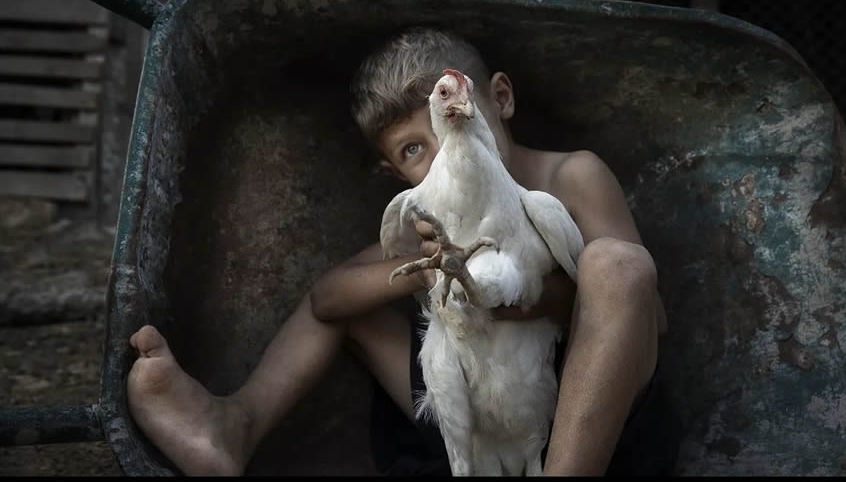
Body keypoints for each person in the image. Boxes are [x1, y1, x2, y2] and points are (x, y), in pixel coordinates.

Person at [126, 27, 680, 476]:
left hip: (590, 426)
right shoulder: (429, 217)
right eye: (415, 149)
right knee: (357, 307)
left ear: (500, 99)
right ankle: (235, 428)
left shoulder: (571, 176)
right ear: (396, 176)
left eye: (451, 116)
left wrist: (515, 290)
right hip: (480, 434)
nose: (442, 156)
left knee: (616, 265)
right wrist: (429, 271)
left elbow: (645, 316)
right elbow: (327, 299)